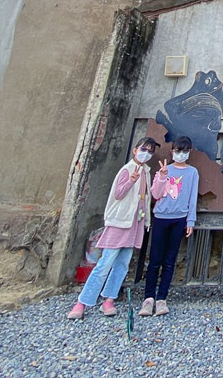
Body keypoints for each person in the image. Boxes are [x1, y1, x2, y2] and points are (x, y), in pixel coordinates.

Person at [67, 136, 159, 320]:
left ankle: (109, 299)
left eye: (150, 151)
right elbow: (118, 194)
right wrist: (131, 181)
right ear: (135, 150)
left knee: (122, 264)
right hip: (119, 223)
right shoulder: (127, 170)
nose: (146, 153)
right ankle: (82, 302)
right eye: (143, 149)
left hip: (135, 224)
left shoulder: (146, 172)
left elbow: (146, 198)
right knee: (104, 263)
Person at [139, 135, 199, 317]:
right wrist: (163, 177)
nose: (181, 154)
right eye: (178, 151)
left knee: (170, 260)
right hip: (161, 217)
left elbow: (192, 198)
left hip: (179, 218)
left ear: (189, 152)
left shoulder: (192, 172)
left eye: (185, 151)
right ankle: (148, 298)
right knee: (155, 259)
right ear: (172, 151)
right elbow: (156, 194)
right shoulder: (164, 170)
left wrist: (190, 221)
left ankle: (162, 298)